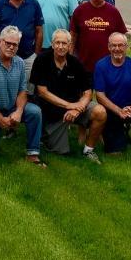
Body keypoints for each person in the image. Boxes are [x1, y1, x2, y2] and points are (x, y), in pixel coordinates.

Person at [30, 29, 106, 163]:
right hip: (51, 112)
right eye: (57, 43)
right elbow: (42, 91)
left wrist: (78, 108)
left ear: (70, 45)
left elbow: (88, 92)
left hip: (74, 108)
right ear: (52, 44)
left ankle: (89, 150)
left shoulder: (75, 63)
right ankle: (45, 136)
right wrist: (69, 106)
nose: (60, 46)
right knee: (60, 151)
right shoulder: (42, 59)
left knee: (100, 112)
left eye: (64, 43)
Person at [0, 25, 45, 166]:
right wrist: (0, 119)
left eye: (15, 45)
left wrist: (18, 112)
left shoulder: (19, 62)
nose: (11, 47)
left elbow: (23, 91)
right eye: (8, 43)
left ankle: (33, 153)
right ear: (0, 42)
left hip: (11, 108)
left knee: (34, 112)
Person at [94, 32, 131, 163]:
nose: (117, 49)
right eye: (113, 45)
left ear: (126, 47)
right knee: (114, 153)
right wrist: (118, 111)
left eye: (120, 45)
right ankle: (117, 132)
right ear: (108, 47)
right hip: (111, 110)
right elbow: (99, 96)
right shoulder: (101, 65)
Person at [70, 0, 128, 73]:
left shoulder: (113, 11)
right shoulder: (80, 10)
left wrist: (121, 61)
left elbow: (122, 38)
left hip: (108, 65)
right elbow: (72, 36)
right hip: (83, 65)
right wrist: (70, 59)